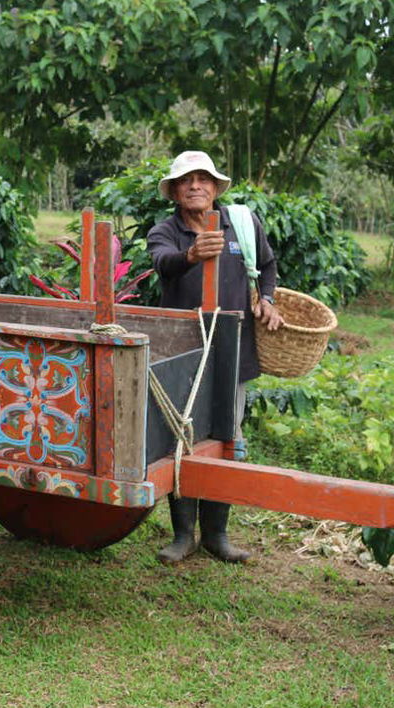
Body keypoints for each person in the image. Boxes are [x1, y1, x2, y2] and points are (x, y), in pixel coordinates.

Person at [146, 150, 283, 564]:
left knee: (227, 437)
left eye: (203, 179)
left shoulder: (241, 223)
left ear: (214, 187)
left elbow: (269, 265)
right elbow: (162, 263)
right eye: (186, 180)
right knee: (181, 441)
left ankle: (216, 536)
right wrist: (190, 256)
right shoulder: (164, 231)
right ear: (174, 191)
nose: (195, 186)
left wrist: (269, 299)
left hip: (232, 350)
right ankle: (184, 535)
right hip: (183, 352)